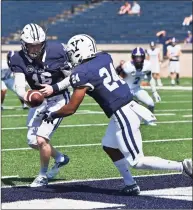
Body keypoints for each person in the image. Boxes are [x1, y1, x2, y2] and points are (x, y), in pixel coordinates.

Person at [42, 34, 192, 195]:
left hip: (123, 113)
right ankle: (130, 184)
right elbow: (78, 77)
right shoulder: (104, 58)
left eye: (71, 52)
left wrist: (53, 114)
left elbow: (71, 108)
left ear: (79, 52)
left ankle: (183, 166)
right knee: (109, 145)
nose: (70, 56)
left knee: (136, 161)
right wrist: (55, 88)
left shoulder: (82, 73)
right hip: (127, 107)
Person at [9, 23, 72, 187]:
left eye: (38, 44)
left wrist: (55, 87)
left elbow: (72, 77)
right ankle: (60, 158)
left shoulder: (58, 51)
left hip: (59, 98)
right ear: (23, 43)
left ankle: (43, 175)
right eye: (31, 45)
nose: (35, 48)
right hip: (39, 101)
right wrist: (27, 95)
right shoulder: (17, 58)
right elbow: (19, 86)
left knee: (42, 138)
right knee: (32, 141)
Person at [120, 47, 161, 124]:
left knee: (151, 103)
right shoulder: (127, 66)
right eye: (136, 57)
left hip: (136, 88)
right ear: (133, 57)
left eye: (140, 57)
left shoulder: (147, 65)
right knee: (125, 109)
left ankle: (148, 120)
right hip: (125, 90)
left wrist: (154, 92)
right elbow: (119, 78)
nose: (138, 60)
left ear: (143, 57)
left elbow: (150, 78)